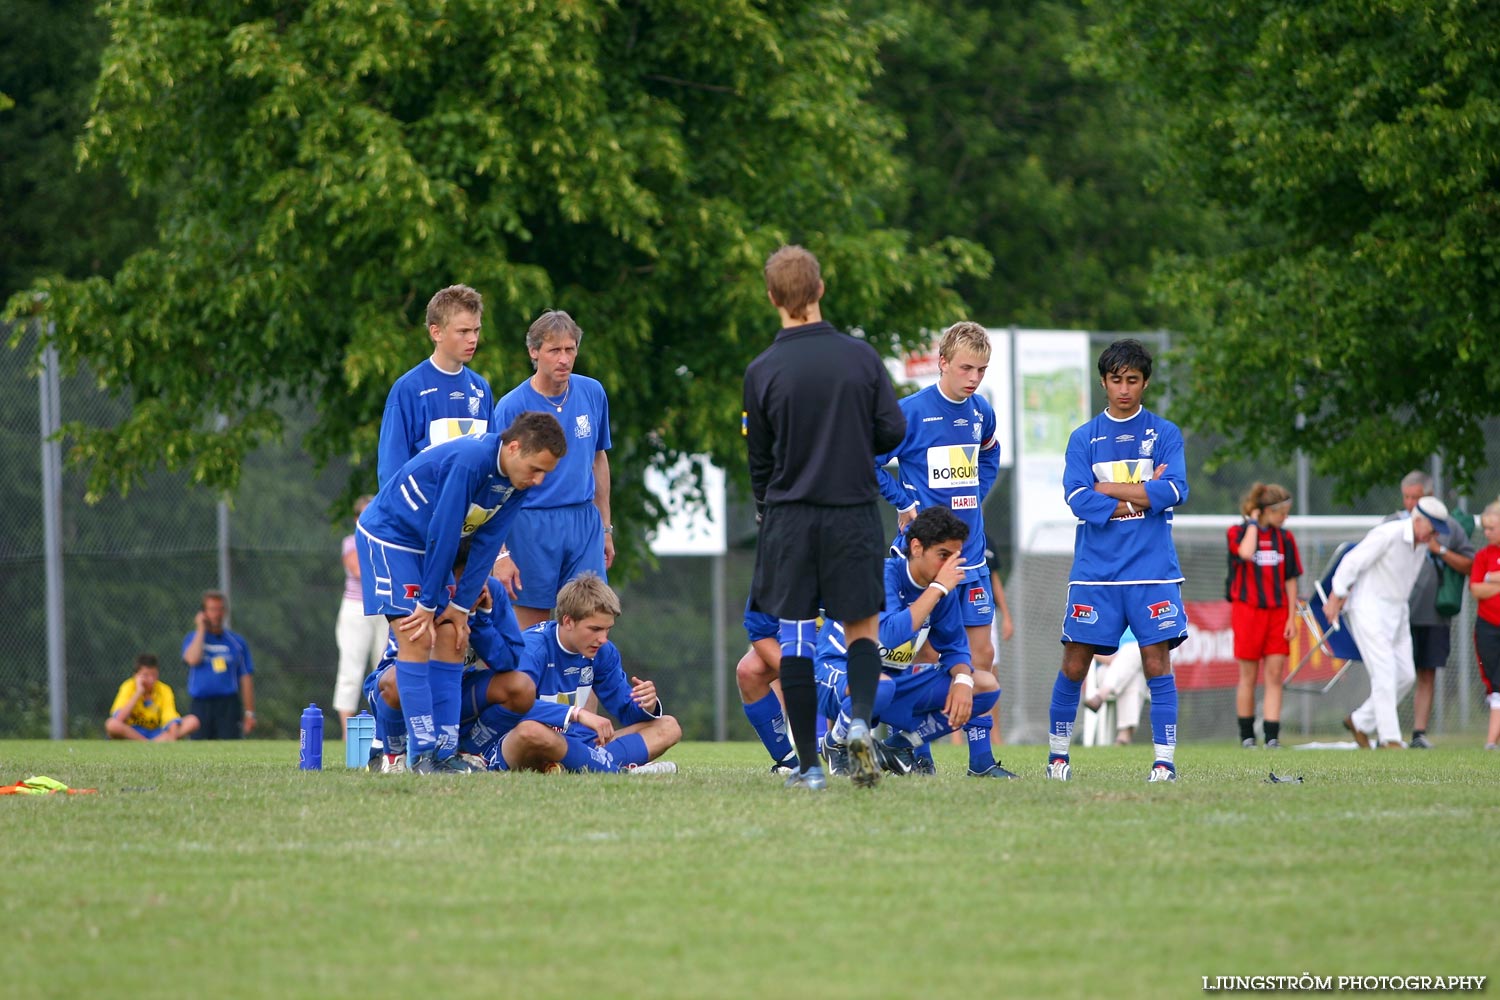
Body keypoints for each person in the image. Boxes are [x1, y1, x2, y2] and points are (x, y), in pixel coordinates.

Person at [743, 244, 906, 790]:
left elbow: (759, 461)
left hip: (789, 517)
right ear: (819, 291)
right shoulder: (860, 358)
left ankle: (810, 766)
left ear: (772, 298)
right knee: (861, 626)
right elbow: (894, 431)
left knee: (795, 638)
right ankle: (858, 721)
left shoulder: (762, 369)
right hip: (852, 512)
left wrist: (771, 512)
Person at [357, 412, 565, 773]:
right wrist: (427, 603)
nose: (538, 479)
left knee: (453, 635)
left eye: (545, 472)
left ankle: (443, 752)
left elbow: (486, 544)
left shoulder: (516, 483)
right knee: (417, 635)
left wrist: (459, 606)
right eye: (535, 468)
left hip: (433, 546)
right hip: (393, 538)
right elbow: (444, 529)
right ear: (513, 447)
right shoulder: (472, 459)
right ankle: (416, 755)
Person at [1045, 338, 1189, 783]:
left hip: (1152, 571)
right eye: (1115, 380)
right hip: (1096, 573)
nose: (1123, 389)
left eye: (1132, 380)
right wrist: (1142, 497)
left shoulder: (1164, 434)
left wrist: (1108, 489)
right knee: (1074, 663)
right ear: (1104, 382)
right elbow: (1076, 498)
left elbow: (1175, 491)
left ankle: (1163, 763)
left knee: (1155, 664)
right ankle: (1057, 758)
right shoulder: (1084, 438)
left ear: (1144, 383)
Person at [817, 507, 1012, 780]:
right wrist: (936, 590)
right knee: (879, 683)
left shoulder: (941, 589)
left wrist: (963, 682)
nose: (949, 567)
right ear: (916, 547)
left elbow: (955, 646)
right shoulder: (882, 574)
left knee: (985, 685)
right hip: (837, 672)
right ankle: (835, 741)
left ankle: (897, 747)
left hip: (891, 684)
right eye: (943, 555)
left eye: (954, 558)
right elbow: (887, 634)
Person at [875, 320, 1003, 694]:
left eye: (981, 370)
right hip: (926, 557)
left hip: (972, 556)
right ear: (943, 362)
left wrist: (977, 492)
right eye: (966, 368)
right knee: (918, 651)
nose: (974, 378)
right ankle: (911, 741)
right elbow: (867, 461)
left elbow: (991, 452)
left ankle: (981, 755)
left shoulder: (982, 411)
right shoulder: (909, 413)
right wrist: (905, 501)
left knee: (982, 656)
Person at [476, 573, 681, 774]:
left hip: (575, 742)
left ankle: (575, 766)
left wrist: (646, 703)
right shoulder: (531, 649)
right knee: (531, 731)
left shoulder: (604, 652)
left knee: (668, 726)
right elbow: (511, 708)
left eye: (607, 629)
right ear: (568, 621)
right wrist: (576, 714)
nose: (602, 638)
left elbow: (626, 712)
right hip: (520, 741)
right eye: (595, 629)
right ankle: (608, 768)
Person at [492, 310, 613, 630]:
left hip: (583, 522)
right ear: (534, 352)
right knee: (533, 628)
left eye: (570, 349)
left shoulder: (592, 392)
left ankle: (584, 683)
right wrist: (500, 552)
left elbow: (598, 458)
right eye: (554, 350)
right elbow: (495, 482)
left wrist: (606, 527)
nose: (564, 359)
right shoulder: (511, 406)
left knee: (591, 618)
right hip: (530, 522)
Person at [366, 545, 530, 772]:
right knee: (397, 681)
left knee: (521, 687)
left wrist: (478, 617)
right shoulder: (422, 592)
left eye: (479, 574)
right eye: (464, 580)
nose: (474, 585)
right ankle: (391, 753)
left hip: (455, 693)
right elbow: (409, 661)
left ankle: (465, 751)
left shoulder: (491, 590)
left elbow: (509, 661)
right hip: (404, 691)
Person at [1325, 496, 1451, 749]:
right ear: (1418, 521)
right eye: (1432, 527)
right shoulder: (1388, 534)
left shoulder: (1423, 544)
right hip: (1369, 607)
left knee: (1405, 675)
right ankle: (1390, 739)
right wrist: (1337, 595)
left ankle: (1360, 721)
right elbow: (1352, 561)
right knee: (1384, 672)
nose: (1435, 534)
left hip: (1398, 611)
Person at [375, 284, 495, 490]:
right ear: (436, 332)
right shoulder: (409, 389)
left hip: (468, 518)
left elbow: (490, 458)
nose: (473, 339)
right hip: (423, 517)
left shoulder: (481, 388)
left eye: (476, 330)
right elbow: (391, 469)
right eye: (463, 331)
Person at [1386, 471, 1476, 747]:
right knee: (1390, 670)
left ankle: (1418, 734)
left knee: (1426, 672)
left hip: (1433, 613)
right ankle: (1385, 729)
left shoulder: (1449, 526)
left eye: (1418, 497)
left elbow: (1469, 564)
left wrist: (1440, 551)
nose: (1412, 504)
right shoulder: (1392, 524)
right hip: (1396, 611)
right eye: (1408, 497)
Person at [1226, 482, 1303, 749]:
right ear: (1265, 511)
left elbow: (1291, 579)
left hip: (1278, 614)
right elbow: (1246, 553)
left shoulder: (1286, 539)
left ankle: (1272, 737)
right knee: (1248, 676)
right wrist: (1253, 523)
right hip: (1247, 612)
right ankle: (1247, 735)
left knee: (1274, 675)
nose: (1285, 517)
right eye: (1281, 512)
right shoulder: (1238, 532)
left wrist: (1291, 617)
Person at [334, 494, 390, 739]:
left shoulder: (387, 540)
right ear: (357, 518)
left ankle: (384, 728)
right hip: (357, 609)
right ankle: (348, 733)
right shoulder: (351, 542)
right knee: (351, 668)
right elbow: (358, 570)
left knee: (385, 666)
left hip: (384, 609)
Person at [182, 590, 256, 740]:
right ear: (203, 612)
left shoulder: (237, 642)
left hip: (227, 705)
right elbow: (192, 659)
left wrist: (249, 712)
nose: (217, 614)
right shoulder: (193, 638)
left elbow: (246, 677)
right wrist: (201, 629)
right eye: (212, 609)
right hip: (201, 705)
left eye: (220, 609)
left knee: (230, 749)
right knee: (198, 751)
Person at [736, 599, 799, 774]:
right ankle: (788, 762)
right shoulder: (771, 573)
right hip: (797, 640)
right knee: (749, 671)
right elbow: (761, 633)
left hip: (846, 639)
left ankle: (879, 748)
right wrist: (798, 676)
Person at [1466, 500, 1500, 750]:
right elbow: (1476, 589)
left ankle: (1490, 740)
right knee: (1494, 681)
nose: (1487, 533)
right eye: (1485, 529)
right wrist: (1490, 580)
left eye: (1492, 528)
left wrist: (1492, 578)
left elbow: (1484, 584)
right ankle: (1491, 741)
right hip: (1487, 626)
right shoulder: (1482, 556)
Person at [105, 653, 199, 741]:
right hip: (133, 732)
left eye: (154, 675)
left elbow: (170, 717)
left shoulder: (164, 689)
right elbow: (119, 718)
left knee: (192, 721)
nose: (151, 679)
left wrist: (172, 737)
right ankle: (147, 743)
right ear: (136, 675)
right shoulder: (128, 686)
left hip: (157, 732)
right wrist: (138, 692)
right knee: (111, 724)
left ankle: (154, 743)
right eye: (145, 675)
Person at [1082, 628, 1146, 745]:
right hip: (1106, 670)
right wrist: (1114, 659)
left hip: (1139, 669)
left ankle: (1101, 696)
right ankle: (1124, 736)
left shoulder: (1145, 619)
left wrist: (1123, 658)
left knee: (1132, 649)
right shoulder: (1106, 617)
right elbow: (1088, 649)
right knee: (1135, 678)